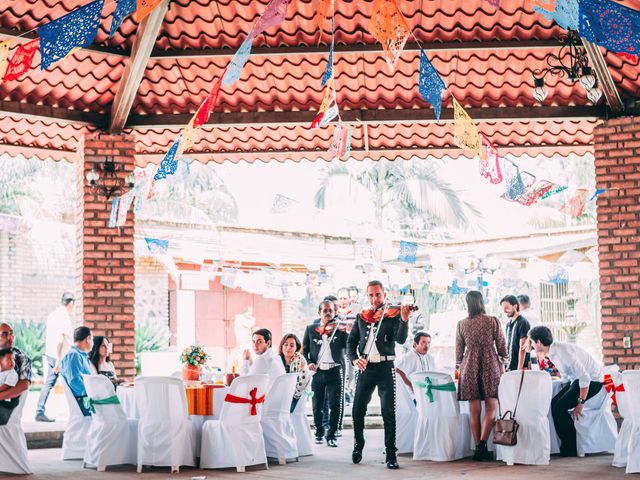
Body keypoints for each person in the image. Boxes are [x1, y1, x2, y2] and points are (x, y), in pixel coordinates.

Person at [348, 280, 411, 469]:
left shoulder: (392, 314)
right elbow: (351, 342)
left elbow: (400, 339)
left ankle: (391, 455)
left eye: (378, 295)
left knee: (388, 412)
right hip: (366, 368)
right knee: (357, 410)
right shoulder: (362, 316)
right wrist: (354, 359)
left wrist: (405, 319)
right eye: (371, 295)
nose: (374, 299)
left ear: (384, 295)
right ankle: (359, 445)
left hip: (385, 367)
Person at [529, 326, 604, 457]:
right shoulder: (552, 351)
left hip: (593, 381)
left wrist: (580, 403)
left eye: (532, 341)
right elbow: (567, 375)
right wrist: (564, 389)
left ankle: (571, 447)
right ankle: (566, 444)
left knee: (559, 408)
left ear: (539, 343)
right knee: (554, 404)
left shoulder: (563, 351)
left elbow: (585, 377)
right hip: (577, 381)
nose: (531, 344)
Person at [456, 290, 508, 462]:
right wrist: (504, 359)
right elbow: (502, 345)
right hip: (490, 364)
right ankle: (483, 446)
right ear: (481, 302)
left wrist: (460, 365)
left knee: (474, 410)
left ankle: (478, 446)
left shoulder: (461, 324)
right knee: (492, 406)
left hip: (469, 365)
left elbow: (458, 352)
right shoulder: (492, 320)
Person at [303, 300, 348, 447]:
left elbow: (349, 347)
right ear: (319, 313)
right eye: (325, 311)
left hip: (335, 371)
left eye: (330, 311)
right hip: (318, 372)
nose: (328, 313)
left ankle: (332, 435)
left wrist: (345, 331)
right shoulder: (310, 329)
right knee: (317, 405)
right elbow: (304, 351)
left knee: (335, 405)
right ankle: (319, 433)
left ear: (334, 313)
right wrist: (309, 362)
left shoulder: (339, 330)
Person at [36, 292, 75, 422]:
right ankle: (79, 411)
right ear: (71, 303)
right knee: (73, 382)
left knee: (49, 383)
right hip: (60, 357)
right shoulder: (64, 317)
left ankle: (39, 411)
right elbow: (60, 339)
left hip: (51, 354)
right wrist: (59, 360)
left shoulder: (52, 315)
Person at [0, 323, 32, 420]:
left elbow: (24, 385)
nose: (10, 337)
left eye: (11, 333)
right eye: (4, 334)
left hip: (6, 406)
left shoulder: (21, 357)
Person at [60, 326, 93, 416]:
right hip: (83, 400)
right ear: (88, 339)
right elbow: (74, 381)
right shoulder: (73, 355)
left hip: (86, 397)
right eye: (92, 339)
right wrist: (92, 392)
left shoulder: (81, 355)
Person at [395, 331, 437, 396]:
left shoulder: (430, 357)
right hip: (414, 395)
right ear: (415, 344)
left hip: (427, 392)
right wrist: (411, 385)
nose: (426, 346)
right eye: (423, 342)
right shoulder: (409, 356)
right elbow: (398, 370)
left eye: (428, 343)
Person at [279, 333, 311, 413]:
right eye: (285, 345)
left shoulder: (301, 361)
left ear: (297, 348)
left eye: (292, 345)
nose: (288, 348)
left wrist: (290, 396)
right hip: (278, 396)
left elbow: (302, 384)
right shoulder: (277, 360)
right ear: (282, 346)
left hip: (294, 397)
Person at [500, 295, 531, 371]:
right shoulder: (508, 324)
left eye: (507, 308)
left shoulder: (523, 323)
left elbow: (523, 348)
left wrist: (519, 369)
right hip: (510, 366)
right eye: (503, 308)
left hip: (520, 368)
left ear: (515, 306)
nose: (504, 311)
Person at [0, 349, 20, 425]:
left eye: (13, 359)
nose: (12, 361)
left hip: (6, 404)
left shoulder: (12, 374)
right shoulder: (2, 372)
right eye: (8, 359)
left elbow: (5, 387)